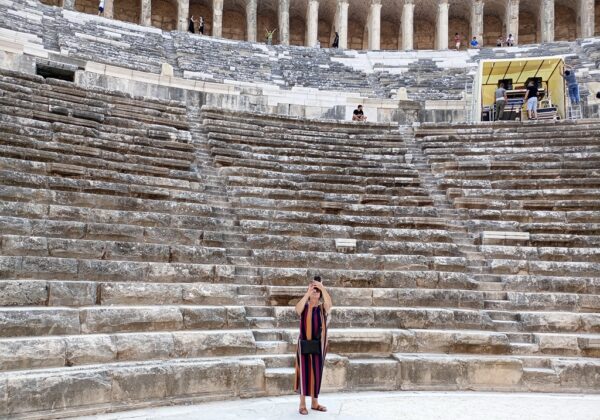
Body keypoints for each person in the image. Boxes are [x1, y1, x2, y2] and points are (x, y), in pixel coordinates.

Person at [294, 276, 333, 416]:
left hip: (319, 346)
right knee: (304, 373)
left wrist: (322, 287)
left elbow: (330, 303)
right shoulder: (304, 306)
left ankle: (315, 403)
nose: (315, 291)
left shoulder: (323, 308)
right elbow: (297, 310)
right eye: (313, 289)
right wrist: (308, 292)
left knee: (316, 373)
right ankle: (302, 404)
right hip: (304, 345)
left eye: (317, 290)